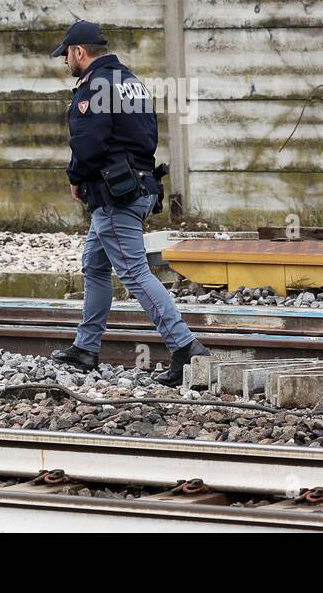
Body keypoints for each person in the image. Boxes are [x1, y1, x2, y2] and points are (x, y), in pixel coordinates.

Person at [47, 21, 208, 386]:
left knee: (135, 272)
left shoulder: (94, 87)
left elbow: (88, 143)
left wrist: (75, 177)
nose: (65, 63)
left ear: (79, 52)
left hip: (115, 196)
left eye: (66, 56)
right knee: (95, 264)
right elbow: (147, 135)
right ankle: (86, 349)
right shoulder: (131, 81)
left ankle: (185, 348)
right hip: (136, 185)